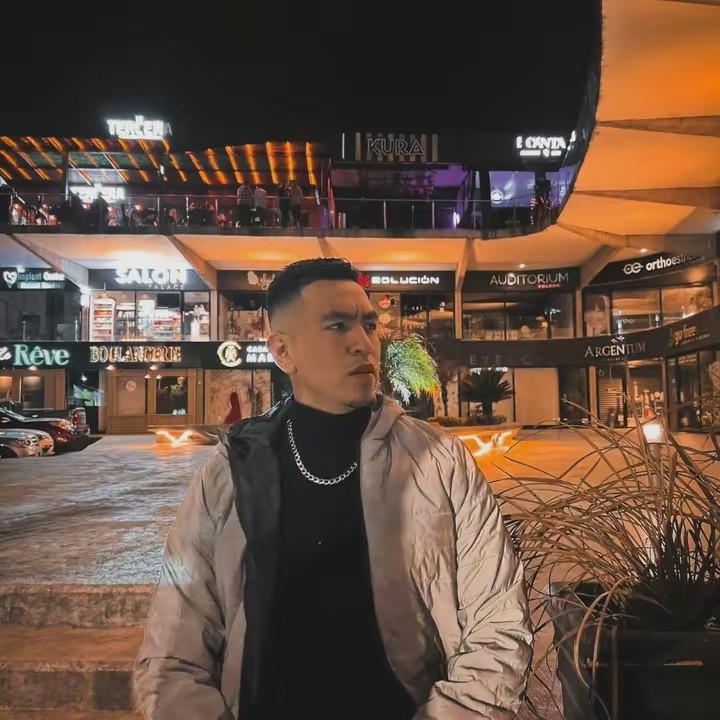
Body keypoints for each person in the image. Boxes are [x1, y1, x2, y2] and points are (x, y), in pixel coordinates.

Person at [134, 258, 532, 720]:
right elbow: (174, 643)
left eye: (369, 325)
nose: (363, 343)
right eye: (337, 326)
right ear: (283, 351)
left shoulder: (440, 461)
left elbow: (499, 626)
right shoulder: (230, 472)